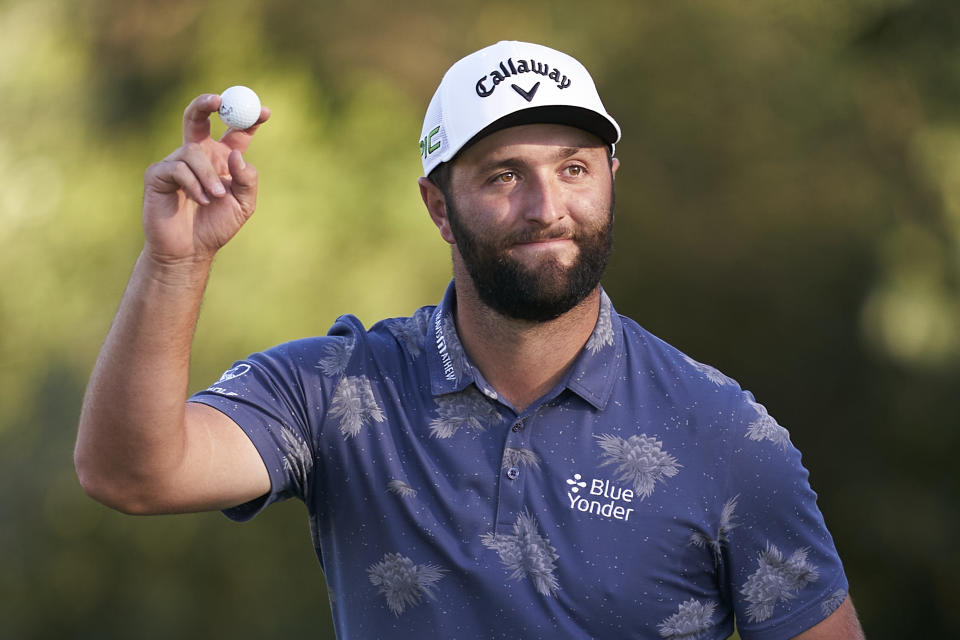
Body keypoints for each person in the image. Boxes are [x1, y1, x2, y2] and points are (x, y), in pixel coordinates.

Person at [76, 41, 865, 639]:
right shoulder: (340, 389)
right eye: (502, 176)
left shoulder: (722, 432)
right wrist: (175, 264)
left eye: (575, 169)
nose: (546, 206)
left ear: (612, 178)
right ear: (439, 207)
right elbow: (130, 473)